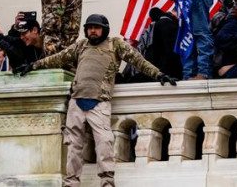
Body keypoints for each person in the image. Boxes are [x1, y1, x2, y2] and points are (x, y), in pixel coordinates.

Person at [14, 14, 177, 187]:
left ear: (104, 29)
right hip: (76, 102)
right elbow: (58, 58)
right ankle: (71, 182)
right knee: (73, 146)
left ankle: (107, 182)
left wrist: (159, 74)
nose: (92, 30)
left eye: (96, 27)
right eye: (90, 27)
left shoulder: (115, 44)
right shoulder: (81, 46)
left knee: (104, 143)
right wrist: (33, 66)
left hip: (99, 102)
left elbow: (138, 61)